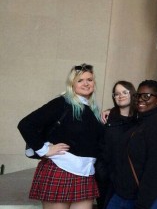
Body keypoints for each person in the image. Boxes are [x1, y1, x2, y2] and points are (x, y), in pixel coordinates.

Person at [17, 63, 104, 209]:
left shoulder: (93, 111)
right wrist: (44, 150)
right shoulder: (62, 103)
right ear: (72, 84)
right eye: (80, 80)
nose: (86, 83)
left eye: (89, 79)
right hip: (60, 168)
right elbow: (26, 124)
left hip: (86, 172)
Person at [107, 80, 157, 209]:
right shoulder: (139, 121)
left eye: (146, 96)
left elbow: (156, 168)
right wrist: (111, 113)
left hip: (155, 196)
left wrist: (142, 204)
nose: (140, 99)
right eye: (137, 96)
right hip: (126, 194)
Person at [95, 81, 137, 209]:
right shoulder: (107, 119)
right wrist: (102, 173)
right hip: (108, 179)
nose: (121, 95)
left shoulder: (140, 119)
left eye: (125, 92)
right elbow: (99, 147)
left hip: (131, 179)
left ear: (132, 94)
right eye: (117, 93)